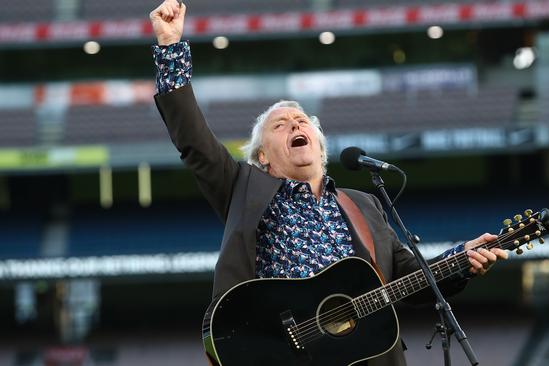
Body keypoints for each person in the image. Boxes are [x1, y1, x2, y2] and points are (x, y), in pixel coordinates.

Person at [149, 1, 508, 365]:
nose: (295, 125)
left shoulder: (365, 204)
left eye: (302, 121)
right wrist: (170, 49)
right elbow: (194, 142)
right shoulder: (244, 188)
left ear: (320, 148)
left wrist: (461, 259)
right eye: (281, 124)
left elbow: (411, 279)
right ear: (263, 158)